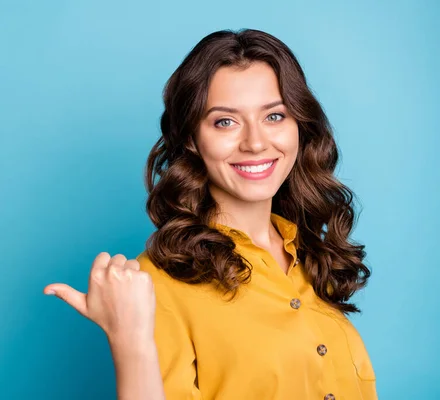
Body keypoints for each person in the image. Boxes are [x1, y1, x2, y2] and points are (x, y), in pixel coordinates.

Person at [44, 28, 377, 400]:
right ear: (191, 138)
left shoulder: (311, 255)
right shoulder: (155, 285)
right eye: (225, 121)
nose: (255, 142)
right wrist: (130, 340)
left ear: (300, 125)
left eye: (274, 116)